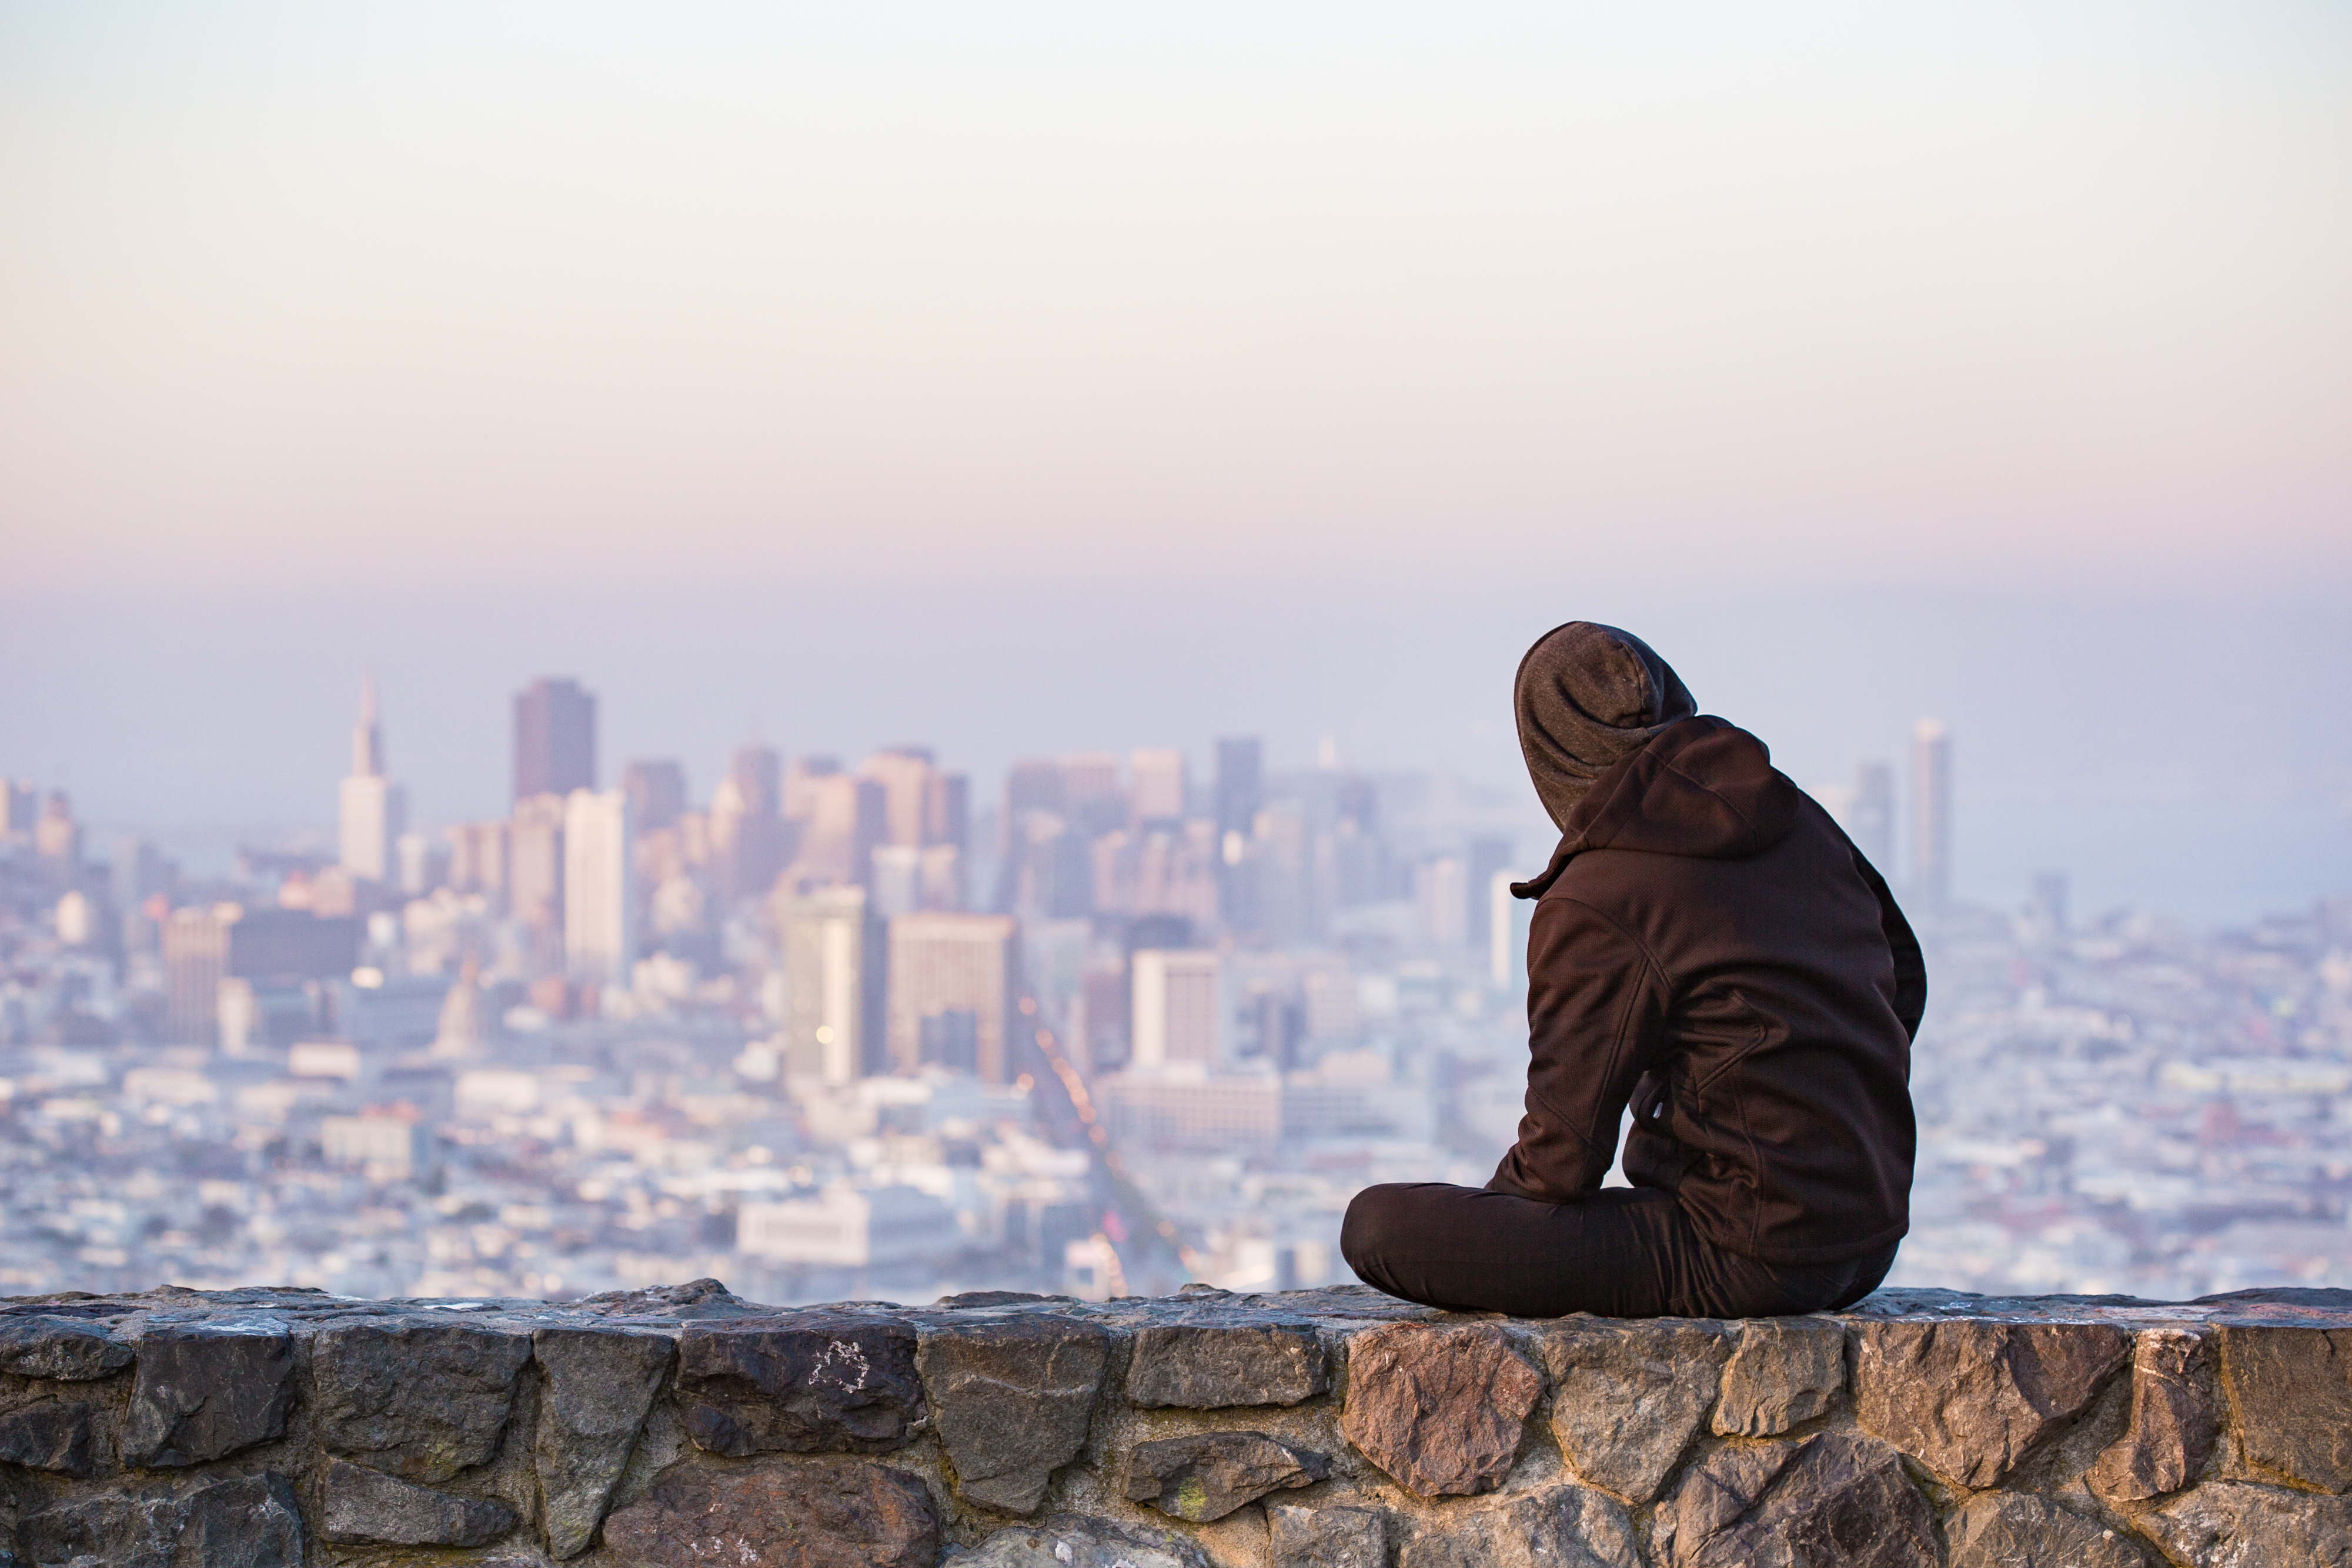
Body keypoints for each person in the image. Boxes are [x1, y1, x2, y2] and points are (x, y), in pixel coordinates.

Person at [1340, 622, 1923, 1318]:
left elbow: (1560, 1161)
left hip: (1740, 1254)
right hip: (1866, 1241)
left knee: (1375, 1226)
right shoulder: (1797, 819)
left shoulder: (1598, 897)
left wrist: (1502, 1227)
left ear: (1550, 750)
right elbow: (1904, 976)